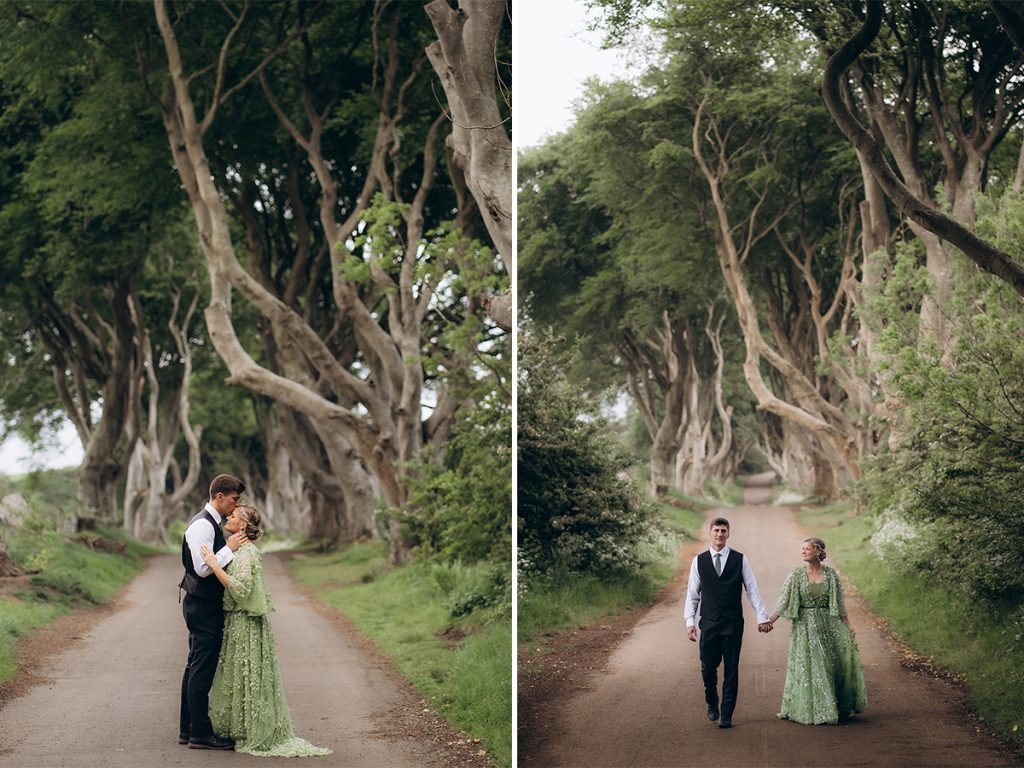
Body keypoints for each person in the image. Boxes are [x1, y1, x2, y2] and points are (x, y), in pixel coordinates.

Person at [199, 504, 331, 757]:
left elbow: (241, 590)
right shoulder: (240, 550)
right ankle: (239, 727)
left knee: (249, 674)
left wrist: (214, 565)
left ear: (244, 526)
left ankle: (254, 731)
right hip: (236, 622)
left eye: (234, 516)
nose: (228, 516)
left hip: (246, 623)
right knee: (239, 675)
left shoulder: (248, 553)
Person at [179, 473, 248, 750]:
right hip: (202, 606)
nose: (236, 505)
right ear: (220, 496)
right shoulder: (202, 527)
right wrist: (229, 549)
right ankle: (200, 734)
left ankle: (188, 729)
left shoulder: (211, 524)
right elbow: (202, 568)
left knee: (194, 666)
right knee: (201, 670)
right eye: (234, 499)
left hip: (202, 605)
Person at [766, 537, 867, 724]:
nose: (803, 552)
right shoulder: (796, 575)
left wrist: (848, 625)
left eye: (807, 549)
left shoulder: (831, 575)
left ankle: (830, 708)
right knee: (808, 667)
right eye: (802, 549)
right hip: (804, 628)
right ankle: (811, 710)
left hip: (827, 626)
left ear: (818, 552)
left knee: (827, 666)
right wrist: (770, 620)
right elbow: (784, 601)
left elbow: (839, 604)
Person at [684, 517, 772, 728]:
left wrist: (762, 616)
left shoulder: (740, 559)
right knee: (708, 667)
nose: (720, 534)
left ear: (728, 534)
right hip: (709, 622)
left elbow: (752, 589)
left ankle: (726, 714)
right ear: (710, 533)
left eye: (723, 531)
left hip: (733, 623)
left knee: (731, 669)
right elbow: (692, 594)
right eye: (716, 530)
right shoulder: (699, 560)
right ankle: (711, 700)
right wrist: (690, 621)